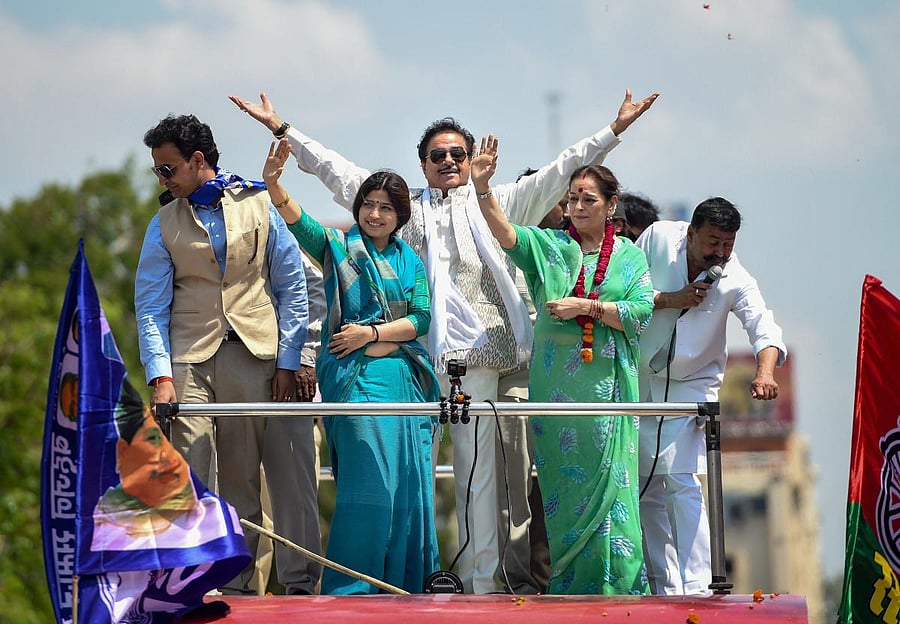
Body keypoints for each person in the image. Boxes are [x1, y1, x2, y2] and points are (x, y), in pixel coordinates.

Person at [229, 88, 658, 594]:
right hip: (411, 365)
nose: (449, 161)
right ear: (423, 164)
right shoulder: (401, 213)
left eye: (458, 153)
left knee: (481, 483)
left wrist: (615, 130)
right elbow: (333, 169)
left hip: (479, 362)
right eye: (438, 155)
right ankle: (408, 581)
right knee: (412, 483)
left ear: (472, 158)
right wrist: (282, 128)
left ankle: (482, 587)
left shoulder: (498, 203)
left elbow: (564, 169)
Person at [135, 114, 321, 595]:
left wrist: (288, 361)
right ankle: (193, 580)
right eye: (159, 171)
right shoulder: (163, 222)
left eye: (167, 169)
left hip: (254, 353)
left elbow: (291, 287)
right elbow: (150, 306)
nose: (162, 179)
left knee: (242, 477)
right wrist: (161, 376)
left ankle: (241, 589)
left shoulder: (258, 203)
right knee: (190, 464)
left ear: (198, 161)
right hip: (189, 359)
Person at [470, 135, 654, 595]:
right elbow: (505, 233)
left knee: (614, 492)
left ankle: (620, 587)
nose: (576, 206)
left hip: (608, 391)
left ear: (611, 206)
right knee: (562, 491)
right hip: (555, 391)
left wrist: (585, 309)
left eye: (587, 199)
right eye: (571, 198)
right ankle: (570, 586)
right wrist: (483, 188)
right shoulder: (550, 248)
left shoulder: (629, 256)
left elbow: (641, 312)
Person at [262, 138, 441, 595]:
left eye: (385, 208)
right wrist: (273, 184)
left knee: (405, 487)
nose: (374, 215)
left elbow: (420, 319)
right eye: (368, 205)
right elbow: (299, 222)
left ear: (399, 216)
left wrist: (371, 335)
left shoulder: (410, 260)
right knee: (369, 482)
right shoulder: (337, 246)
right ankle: (350, 589)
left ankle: (402, 585)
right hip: (353, 382)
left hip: (403, 380)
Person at [634, 198, 786, 595]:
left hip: (693, 380)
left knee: (681, 477)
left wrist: (765, 371)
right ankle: (662, 586)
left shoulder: (736, 277)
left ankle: (697, 585)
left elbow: (763, 327)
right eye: (712, 243)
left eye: (727, 244)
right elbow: (624, 287)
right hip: (636, 373)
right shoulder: (657, 238)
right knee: (644, 484)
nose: (719, 254)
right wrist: (672, 298)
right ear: (690, 234)